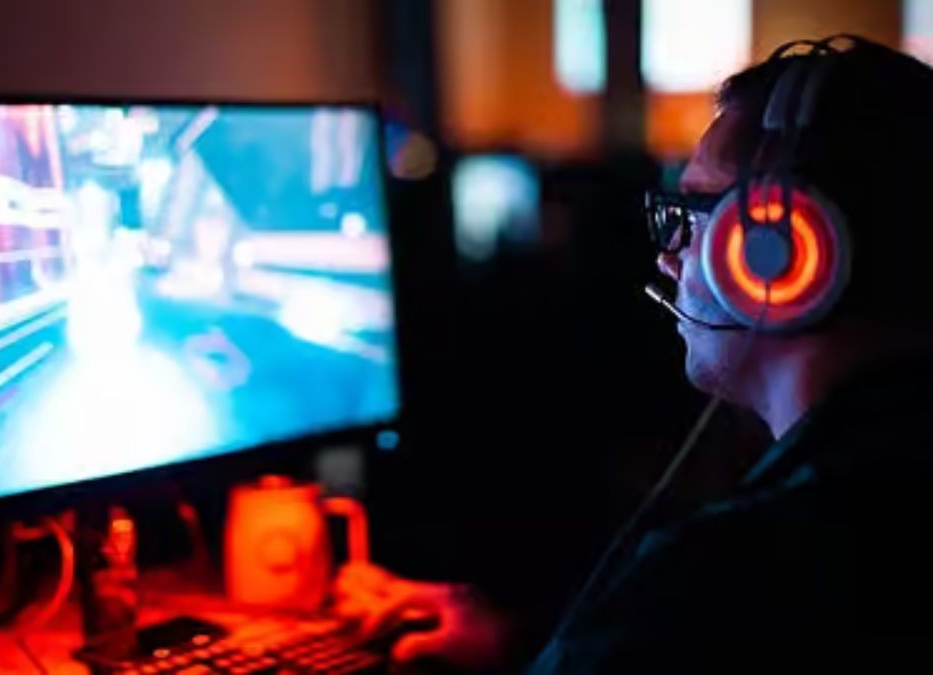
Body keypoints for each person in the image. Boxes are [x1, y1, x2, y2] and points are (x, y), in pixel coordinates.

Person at [334, 36, 933, 673]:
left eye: (693, 214)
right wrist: (518, 649)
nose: (667, 257)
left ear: (787, 251)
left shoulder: (726, 577)